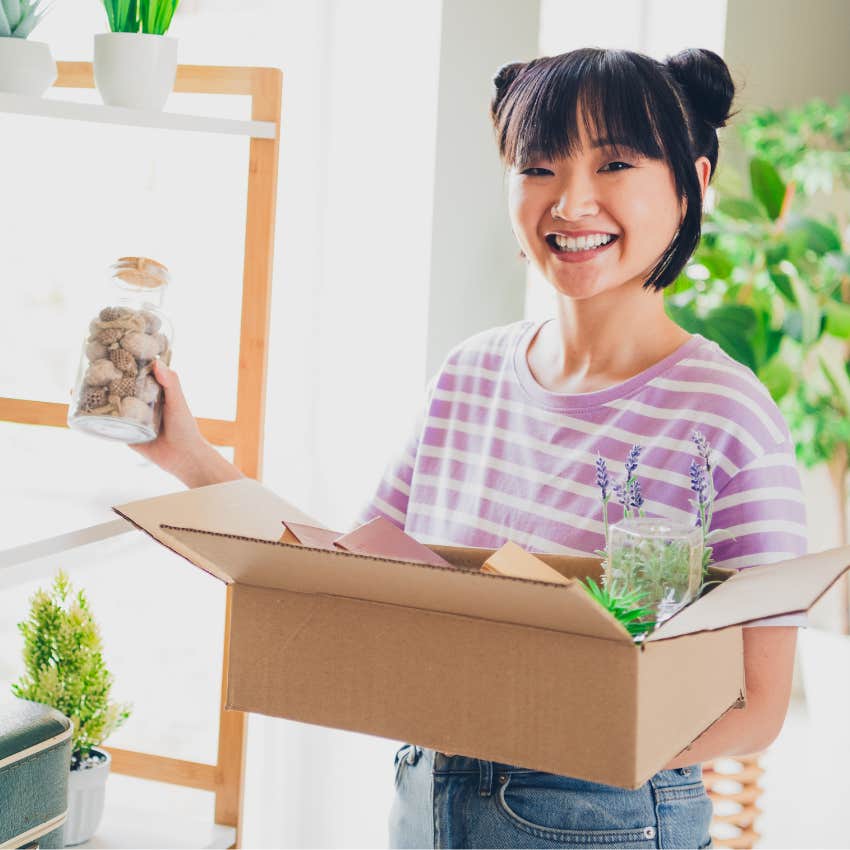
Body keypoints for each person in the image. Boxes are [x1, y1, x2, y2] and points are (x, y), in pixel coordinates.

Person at [133, 46, 807, 850]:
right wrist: (188, 457)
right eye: (539, 167)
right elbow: (352, 574)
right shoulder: (473, 373)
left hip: (603, 813)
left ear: (694, 183)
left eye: (617, 161)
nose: (572, 200)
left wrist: (570, 738)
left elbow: (758, 706)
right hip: (429, 792)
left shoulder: (728, 414)